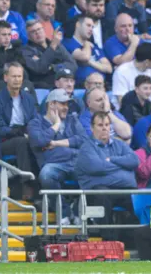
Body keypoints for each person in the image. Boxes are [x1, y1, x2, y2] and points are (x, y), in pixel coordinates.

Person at [28, 89, 86, 225]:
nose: (66, 108)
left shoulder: (73, 119)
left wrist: (56, 143)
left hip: (76, 161)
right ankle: (64, 212)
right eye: (62, 104)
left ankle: (78, 211)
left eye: (67, 104)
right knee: (46, 175)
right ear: (51, 104)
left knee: (93, 171)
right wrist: (56, 125)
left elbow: (83, 139)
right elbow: (39, 141)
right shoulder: (35, 123)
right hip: (53, 164)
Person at [76, 111, 139, 232]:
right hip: (97, 193)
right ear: (92, 127)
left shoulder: (119, 144)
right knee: (102, 194)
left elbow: (134, 160)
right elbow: (98, 167)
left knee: (137, 198)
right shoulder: (86, 148)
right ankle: (107, 240)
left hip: (121, 189)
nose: (104, 128)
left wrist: (112, 160)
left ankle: (133, 239)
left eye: (107, 124)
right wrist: (122, 167)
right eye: (100, 125)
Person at [0, 62, 38, 199]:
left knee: (40, 143)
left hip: (25, 136)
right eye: (13, 76)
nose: (17, 79)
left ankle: (37, 187)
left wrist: (32, 133)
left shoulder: (28, 98)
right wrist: (18, 132)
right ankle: (26, 183)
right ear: (6, 78)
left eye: (19, 76)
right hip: (3, 141)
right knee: (22, 142)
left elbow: (35, 120)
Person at [22, 19, 77, 89]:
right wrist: (52, 46)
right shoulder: (26, 51)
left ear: (44, 30)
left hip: (64, 84)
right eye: (33, 31)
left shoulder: (56, 44)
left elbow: (73, 65)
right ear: (28, 36)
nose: (37, 33)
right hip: (45, 87)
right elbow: (40, 68)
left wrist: (53, 67)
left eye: (39, 29)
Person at [63, 15, 112, 86]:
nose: (91, 29)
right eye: (88, 25)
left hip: (101, 85)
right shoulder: (68, 43)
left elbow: (109, 68)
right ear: (78, 25)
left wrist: (90, 62)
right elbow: (85, 57)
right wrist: (86, 44)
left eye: (92, 27)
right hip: (81, 86)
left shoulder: (94, 46)